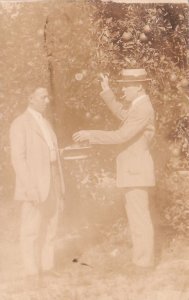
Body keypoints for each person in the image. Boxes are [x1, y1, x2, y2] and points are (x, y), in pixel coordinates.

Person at [73, 69, 155, 271]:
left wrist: (90, 134)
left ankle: (143, 263)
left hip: (136, 172)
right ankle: (141, 261)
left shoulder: (143, 108)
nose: (123, 89)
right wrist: (107, 90)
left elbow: (120, 136)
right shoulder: (138, 106)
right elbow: (122, 114)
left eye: (126, 85)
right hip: (133, 171)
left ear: (139, 87)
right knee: (137, 217)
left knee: (140, 219)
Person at [10, 87, 65, 287]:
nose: (47, 100)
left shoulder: (46, 123)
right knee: (31, 229)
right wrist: (30, 187)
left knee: (51, 226)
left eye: (47, 97)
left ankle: (47, 267)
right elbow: (18, 159)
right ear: (30, 98)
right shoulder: (20, 124)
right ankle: (31, 273)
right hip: (33, 184)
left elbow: (51, 153)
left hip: (52, 180)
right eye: (42, 97)